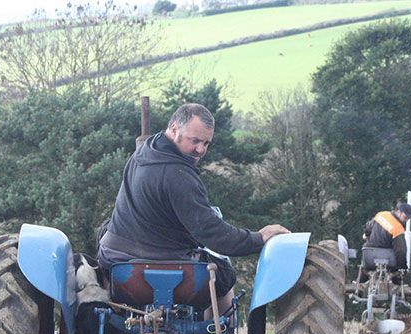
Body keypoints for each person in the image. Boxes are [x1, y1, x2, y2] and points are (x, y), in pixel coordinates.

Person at [98, 103, 289, 313]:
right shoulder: (179, 175)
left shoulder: (145, 150)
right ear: (173, 129)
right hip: (162, 263)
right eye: (194, 141)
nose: (200, 150)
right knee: (224, 275)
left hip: (114, 259)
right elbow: (213, 233)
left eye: (206, 143)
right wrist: (257, 238)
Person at [362, 202, 411, 272]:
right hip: (387, 259)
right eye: (405, 217)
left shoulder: (381, 215)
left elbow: (367, 228)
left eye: (408, 218)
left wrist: (367, 235)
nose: (406, 220)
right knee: (396, 277)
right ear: (398, 212)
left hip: (369, 256)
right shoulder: (398, 229)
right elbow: (401, 251)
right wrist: (403, 268)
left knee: (364, 272)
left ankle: (361, 280)